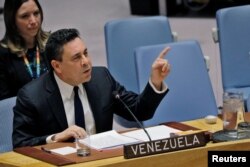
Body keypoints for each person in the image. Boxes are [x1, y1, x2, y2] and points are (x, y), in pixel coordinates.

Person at [13, 28, 171, 148]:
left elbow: (138, 111)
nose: (86, 62)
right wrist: (54, 138)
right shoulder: (32, 96)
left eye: (86, 53)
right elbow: (20, 144)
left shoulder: (101, 79)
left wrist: (155, 82)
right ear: (57, 66)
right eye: (76, 57)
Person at [0, 0, 50, 100]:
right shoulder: (2, 55)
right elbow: (4, 103)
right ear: (12, 20)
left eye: (36, 13)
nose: (34, 21)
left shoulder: (52, 44)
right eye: (25, 16)